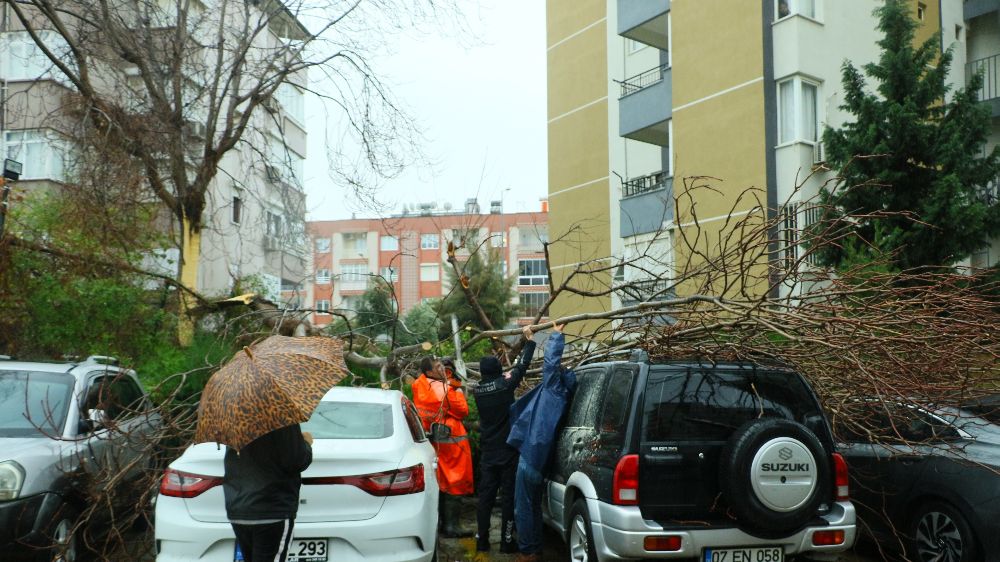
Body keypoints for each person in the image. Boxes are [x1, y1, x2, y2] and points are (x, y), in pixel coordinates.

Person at [507, 324, 576, 562]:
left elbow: (550, 363)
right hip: (540, 460)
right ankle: (534, 549)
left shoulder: (553, 391)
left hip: (531, 455)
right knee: (533, 506)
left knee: (523, 508)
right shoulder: (563, 398)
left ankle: (528, 553)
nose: (558, 370)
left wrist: (556, 335)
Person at [472, 325, 537, 553]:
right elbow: (522, 366)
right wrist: (529, 341)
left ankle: (482, 541)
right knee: (508, 498)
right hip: (508, 451)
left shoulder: (477, 391)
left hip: (488, 453)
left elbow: (502, 376)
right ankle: (507, 543)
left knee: (485, 498)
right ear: (499, 369)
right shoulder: (505, 385)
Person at [224, 424, 313, 562]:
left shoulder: (235, 416)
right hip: (272, 509)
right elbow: (296, 460)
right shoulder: (282, 415)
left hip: (238, 508)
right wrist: (306, 443)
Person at [412, 356, 474, 537]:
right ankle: (451, 526)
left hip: (435, 440)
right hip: (452, 442)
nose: (442, 368)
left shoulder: (420, 384)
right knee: (455, 481)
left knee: (441, 480)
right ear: (430, 372)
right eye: (438, 366)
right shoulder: (444, 390)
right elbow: (463, 410)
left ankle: (440, 523)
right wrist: (458, 390)